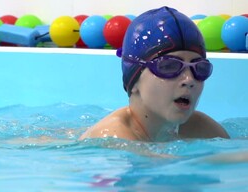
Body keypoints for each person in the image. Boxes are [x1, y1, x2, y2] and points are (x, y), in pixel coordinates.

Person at [80, 6, 229, 142]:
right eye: (169, 66)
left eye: (199, 68)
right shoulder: (113, 137)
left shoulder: (199, 127)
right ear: (134, 81)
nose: (189, 79)